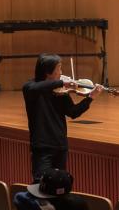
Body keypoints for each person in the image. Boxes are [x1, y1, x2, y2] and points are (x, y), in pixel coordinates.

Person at [22, 53, 103, 182]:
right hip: (42, 147)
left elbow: (73, 112)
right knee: (41, 184)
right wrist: (62, 83)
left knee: (59, 185)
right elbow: (36, 87)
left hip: (60, 146)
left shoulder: (61, 91)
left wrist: (90, 97)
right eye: (59, 69)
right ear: (48, 72)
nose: (61, 72)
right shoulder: (30, 87)